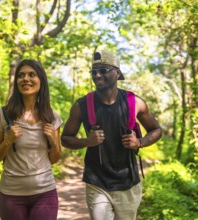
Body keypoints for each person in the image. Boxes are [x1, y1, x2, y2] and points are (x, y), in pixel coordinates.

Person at [61, 50, 162, 220]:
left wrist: (139, 142)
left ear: (117, 73)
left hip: (128, 183)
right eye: (94, 72)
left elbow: (156, 130)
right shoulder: (81, 105)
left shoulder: (134, 102)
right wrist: (87, 141)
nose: (97, 75)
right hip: (97, 182)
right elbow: (65, 138)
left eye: (103, 70)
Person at [0, 59, 62, 220]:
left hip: (45, 193)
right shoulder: (3, 115)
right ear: (17, 82)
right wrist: (7, 141)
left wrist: (54, 142)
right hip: (11, 196)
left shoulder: (51, 117)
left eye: (31, 75)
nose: (26, 79)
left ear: (41, 80)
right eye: (21, 75)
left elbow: (54, 158)